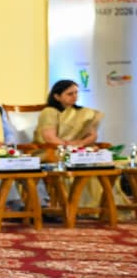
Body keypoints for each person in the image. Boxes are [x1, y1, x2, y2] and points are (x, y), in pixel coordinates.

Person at [36, 79, 105, 208]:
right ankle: (77, 205)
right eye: (70, 94)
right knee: (76, 159)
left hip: (77, 149)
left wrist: (81, 144)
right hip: (52, 151)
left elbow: (93, 135)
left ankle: (101, 205)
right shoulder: (49, 112)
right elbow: (50, 138)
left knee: (101, 162)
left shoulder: (82, 113)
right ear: (57, 96)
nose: (74, 96)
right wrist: (70, 145)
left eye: (76, 93)